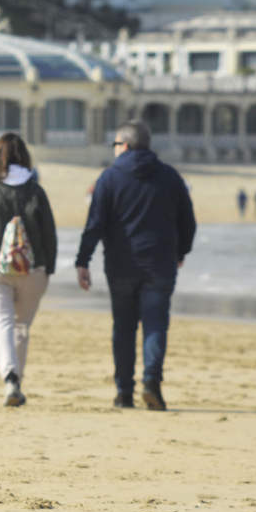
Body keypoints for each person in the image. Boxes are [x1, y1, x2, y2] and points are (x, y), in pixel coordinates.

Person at [75, 121, 196, 411]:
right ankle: (152, 382)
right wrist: (181, 251)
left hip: (120, 265)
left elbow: (95, 224)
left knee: (124, 328)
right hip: (160, 264)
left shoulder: (109, 178)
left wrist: (83, 261)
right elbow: (188, 222)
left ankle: (124, 392)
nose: (115, 150)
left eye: (115, 145)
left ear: (125, 146)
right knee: (156, 324)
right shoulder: (169, 177)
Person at [0, 134, 58, 408]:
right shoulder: (35, 190)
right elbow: (49, 233)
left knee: (1, 326)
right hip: (32, 269)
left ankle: (10, 379)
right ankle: (17, 380)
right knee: (21, 327)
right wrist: (48, 267)